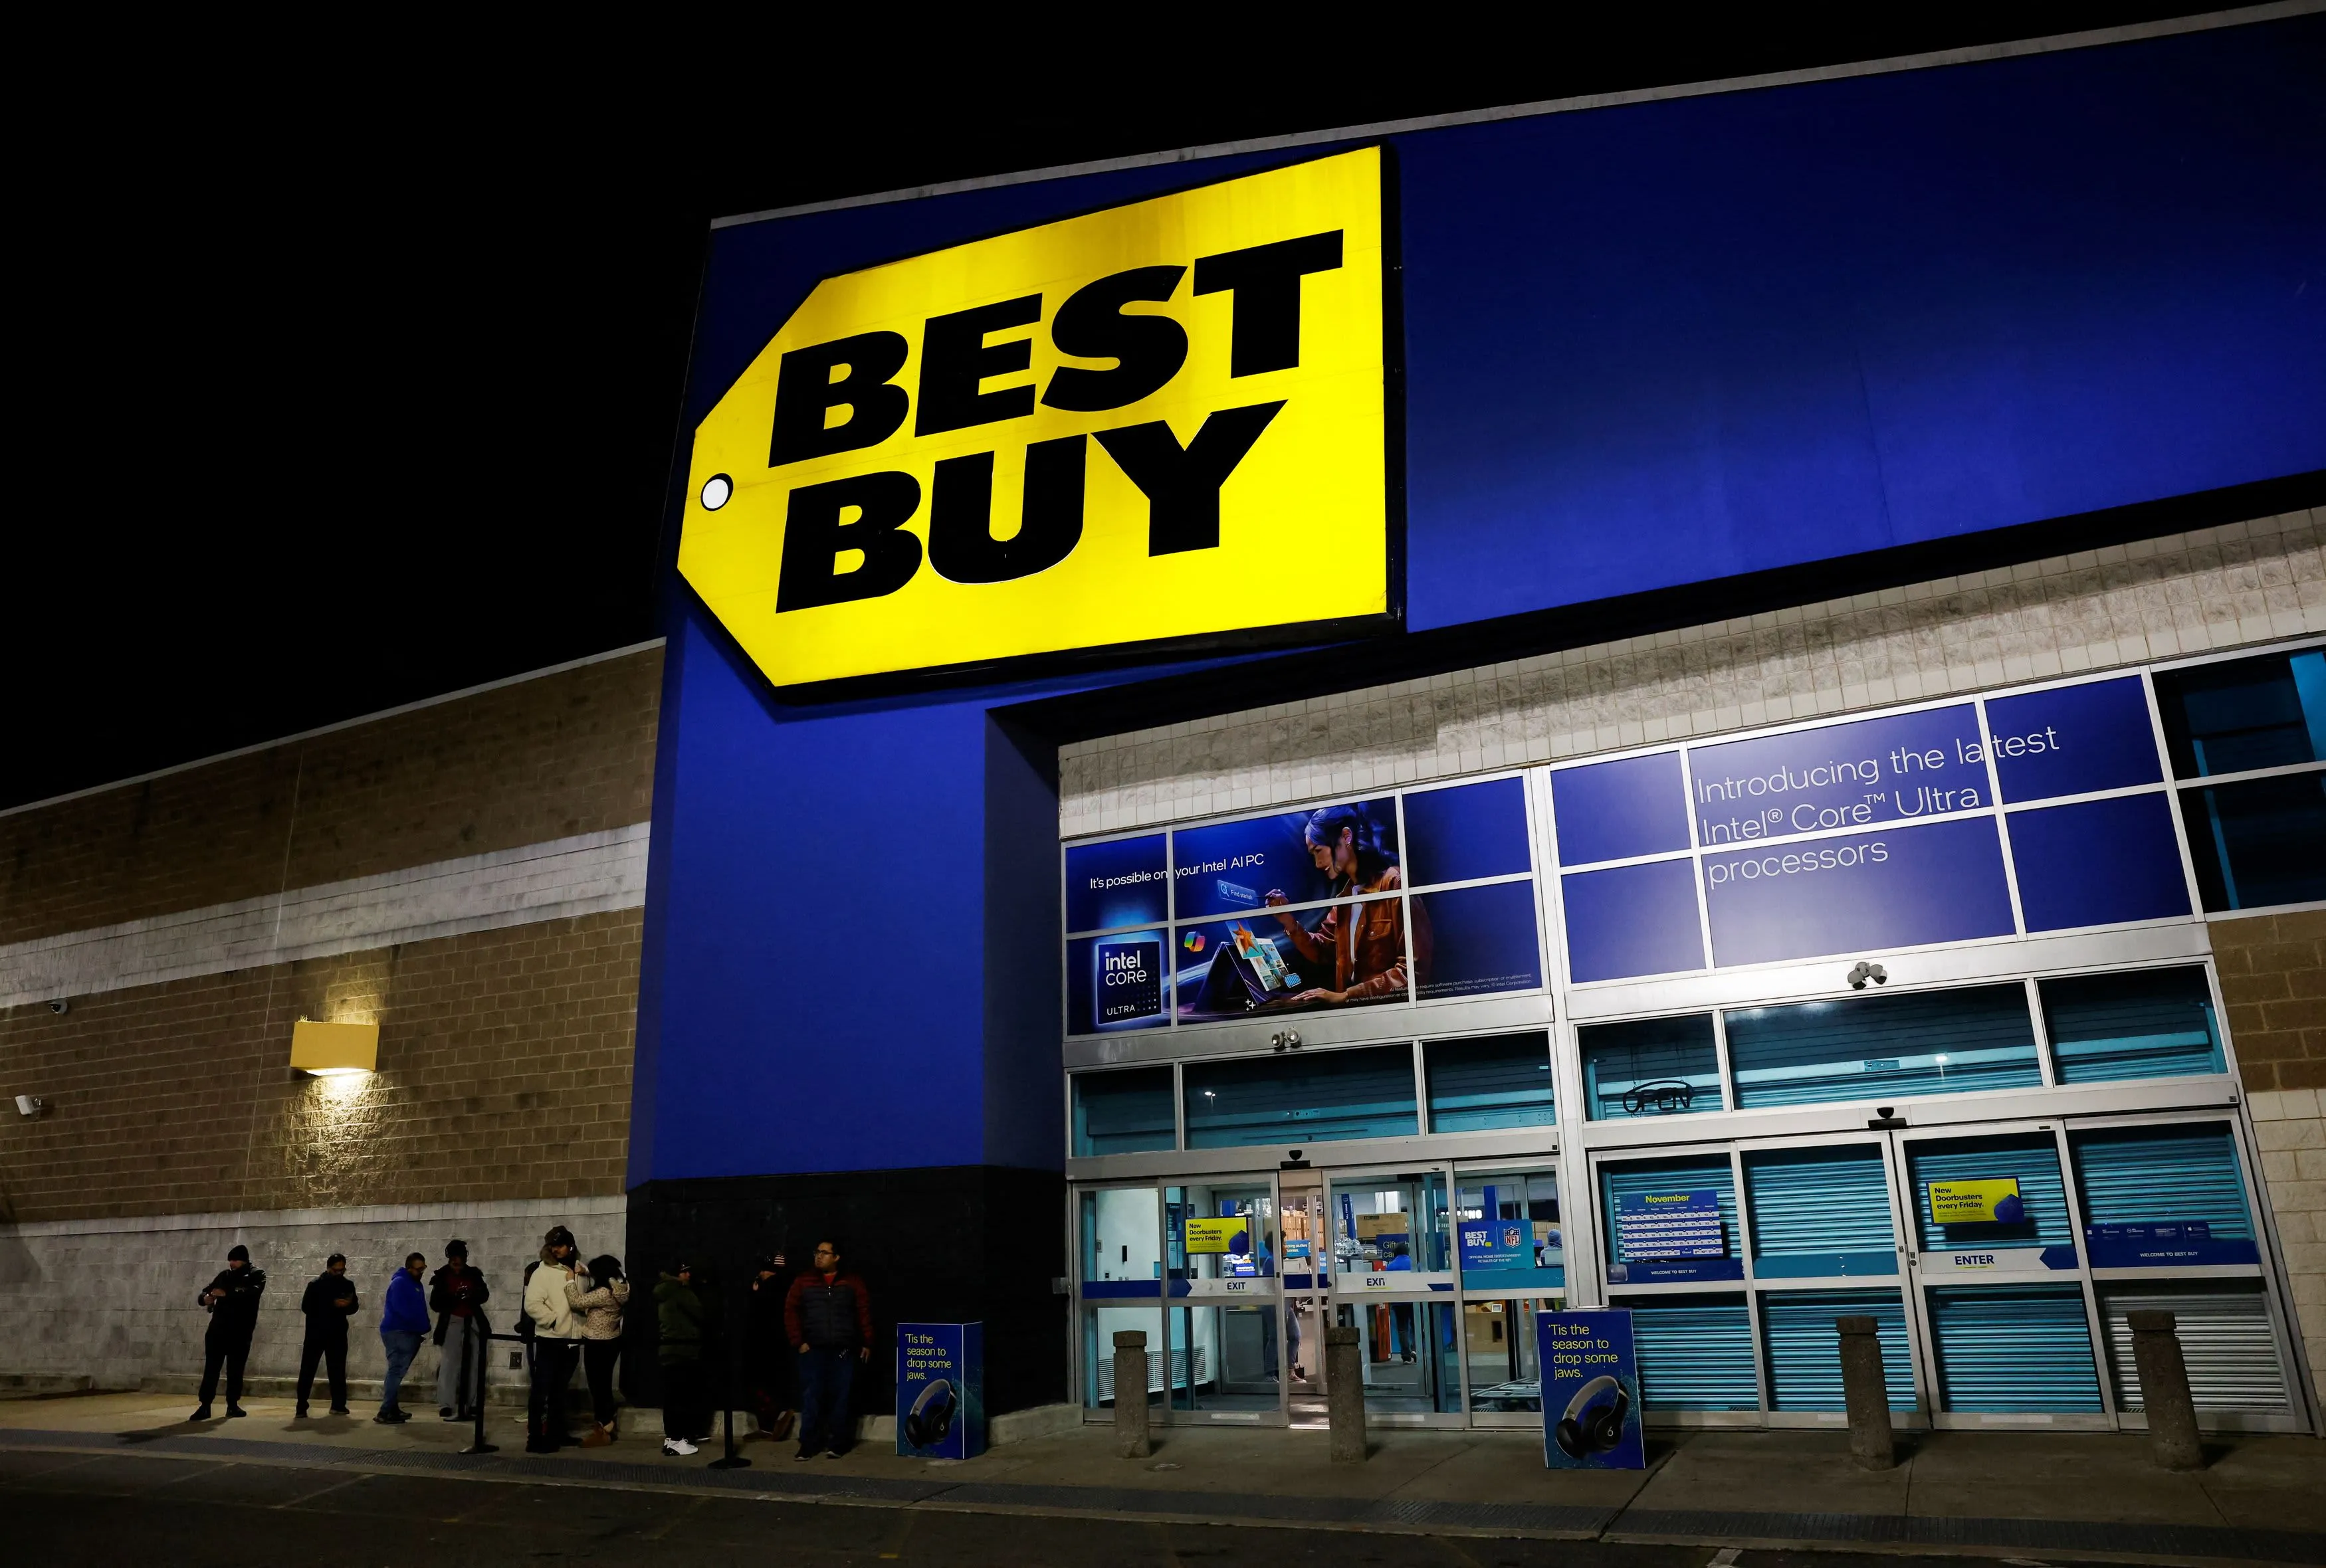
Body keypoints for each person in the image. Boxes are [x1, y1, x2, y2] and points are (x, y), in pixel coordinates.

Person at [1263, 803, 1432, 1005]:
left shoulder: (1394, 883)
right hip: (1353, 1015)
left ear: (1346, 837)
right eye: (1313, 855)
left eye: (1319, 850)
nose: (1317, 863)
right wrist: (1288, 922)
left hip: (1390, 1015)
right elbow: (1322, 951)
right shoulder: (1344, 899)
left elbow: (1413, 970)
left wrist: (1346, 996)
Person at [783, 1238, 872, 1460]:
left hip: (843, 1349)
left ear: (836, 1257)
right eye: (817, 1252)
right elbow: (791, 1311)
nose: (819, 1256)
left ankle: (838, 1443)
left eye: (824, 1253)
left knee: (841, 1398)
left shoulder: (852, 1282)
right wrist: (799, 1342)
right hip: (813, 1349)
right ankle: (808, 1445)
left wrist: (867, 1342)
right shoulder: (804, 1281)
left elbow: (863, 1311)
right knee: (811, 1397)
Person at [522, 1225, 585, 1453]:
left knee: (560, 1391)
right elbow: (532, 1304)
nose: (555, 1250)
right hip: (550, 1340)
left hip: (572, 1340)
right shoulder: (543, 1272)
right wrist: (553, 1321)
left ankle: (557, 1433)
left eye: (560, 1245)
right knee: (542, 1391)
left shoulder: (579, 1271)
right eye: (552, 1246)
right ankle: (535, 1437)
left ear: (571, 1246)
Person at [190, 1243, 266, 1421]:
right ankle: (205, 1405)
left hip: (240, 1332)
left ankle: (232, 1405)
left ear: (244, 1260)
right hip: (218, 1330)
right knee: (211, 1369)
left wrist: (227, 1294)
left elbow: (251, 1294)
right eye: (230, 1260)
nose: (231, 1264)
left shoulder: (256, 1275)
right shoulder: (224, 1276)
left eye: (235, 1260)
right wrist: (206, 1298)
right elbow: (206, 1292)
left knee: (235, 1370)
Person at [567, 1254, 631, 1446]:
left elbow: (577, 1302)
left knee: (597, 1387)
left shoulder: (603, 1293)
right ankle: (606, 1425)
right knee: (604, 1384)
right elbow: (606, 1275)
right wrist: (586, 1271)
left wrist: (570, 1282)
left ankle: (604, 1427)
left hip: (597, 1343)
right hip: (612, 1341)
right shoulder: (621, 1287)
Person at [429, 1238, 491, 1422]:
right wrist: (454, 1297)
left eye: (459, 1257)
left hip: (472, 1320)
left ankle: (472, 1403)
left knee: (475, 1364)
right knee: (449, 1363)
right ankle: (446, 1404)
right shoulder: (442, 1276)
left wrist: (471, 1295)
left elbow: (484, 1295)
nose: (456, 1261)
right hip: (452, 1320)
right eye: (453, 1258)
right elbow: (435, 1303)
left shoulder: (473, 1274)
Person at [655, 1259, 708, 1457]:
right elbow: (700, 1313)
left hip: (668, 1349)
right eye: (685, 1272)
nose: (688, 1275)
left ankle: (673, 1438)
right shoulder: (680, 1291)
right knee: (681, 1397)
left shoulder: (663, 1291)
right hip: (683, 1350)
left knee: (672, 1397)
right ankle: (677, 1440)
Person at [295, 1253, 359, 1418]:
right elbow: (307, 1307)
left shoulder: (347, 1285)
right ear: (329, 1268)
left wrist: (347, 1305)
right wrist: (333, 1304)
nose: (339, 1273)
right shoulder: (316, 1285)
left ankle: (338, 1404)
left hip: (337, 1333)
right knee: (308, 1370)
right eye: (336, 1270)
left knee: (338, 1371)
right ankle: (301, 1406)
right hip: (316, 1333)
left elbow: (354, 1307)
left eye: (342, 1270)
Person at [744, 1251, 795, 1442]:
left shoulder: (769, 1289)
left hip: (765, 1346)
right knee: (774, 1384)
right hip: (780, 1345)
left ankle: (771, 1423)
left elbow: (756, 1316)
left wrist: (756, 1291)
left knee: (762, 1385)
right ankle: (772, 1422)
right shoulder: (790, 1287)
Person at [377, 1252, 430, 1423]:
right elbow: (403, 1311)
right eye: (418, 1269)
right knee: (396, 1372)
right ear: (409, 1268)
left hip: (406, 1332)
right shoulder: (400, 1283)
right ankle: (385, 1412)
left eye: (423, 1268)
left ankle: (392, 1409)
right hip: (399, 1332)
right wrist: (421, 1326)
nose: (421, 1272)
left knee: (396, 1371)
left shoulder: (414, 1283)